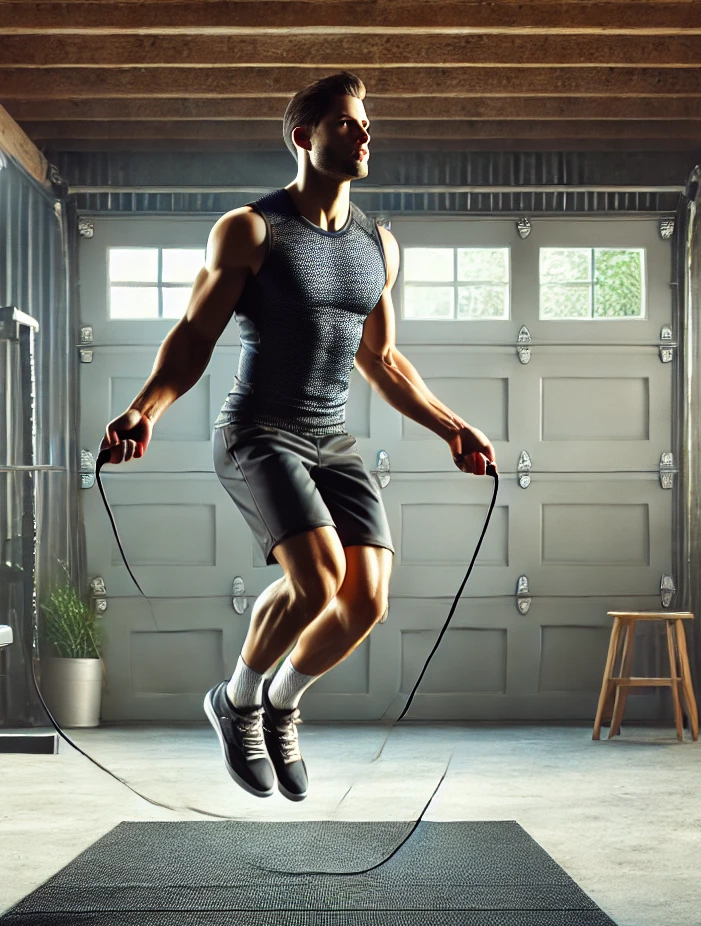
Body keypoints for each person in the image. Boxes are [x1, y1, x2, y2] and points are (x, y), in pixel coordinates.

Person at [100, 71, 496, 801]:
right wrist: (144, 410)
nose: (363, 133)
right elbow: (193, 336)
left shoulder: (380, 244)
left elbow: (380, 359)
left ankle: (280, 705)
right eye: (346, 123)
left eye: (365, 123)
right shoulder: (251, 229)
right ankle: (238, 700)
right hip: (258, 432)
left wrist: (452, 428)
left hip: (330, 438)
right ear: (304, 137)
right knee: (318, 583)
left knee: (366, 600)